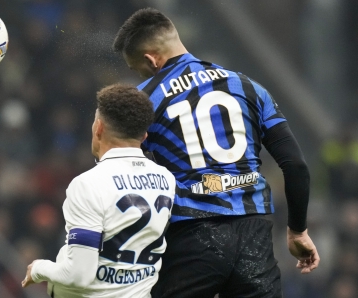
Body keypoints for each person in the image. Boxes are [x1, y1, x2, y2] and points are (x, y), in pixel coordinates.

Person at [112, 8, 320, 298]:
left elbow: (118, 172)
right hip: (253, 237)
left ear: (150, 59)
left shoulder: (144, 100)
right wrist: (297, 230)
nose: (140, 77)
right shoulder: (249, 87)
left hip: (191, 238)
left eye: (138, 69)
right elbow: (296, 166)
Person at [21, 84, 177, 297]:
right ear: (143, 136)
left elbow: (78, 276)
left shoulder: (89, 184)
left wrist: (39, 269)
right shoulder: (166, 179)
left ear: (99, 128)